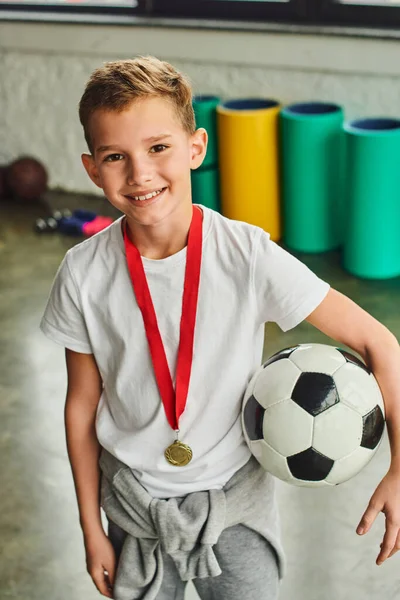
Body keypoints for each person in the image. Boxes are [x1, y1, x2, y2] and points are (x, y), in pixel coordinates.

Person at [40, 56, 400, 600]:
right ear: (93, 170)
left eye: (158, 148)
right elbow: (80, 407)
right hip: (134, 513)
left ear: (196, 148)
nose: (139, 173)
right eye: (116, 157)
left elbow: (379, 340)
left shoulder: (246, 254)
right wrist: (91, 528)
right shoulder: (83, 273)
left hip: (237, 506)